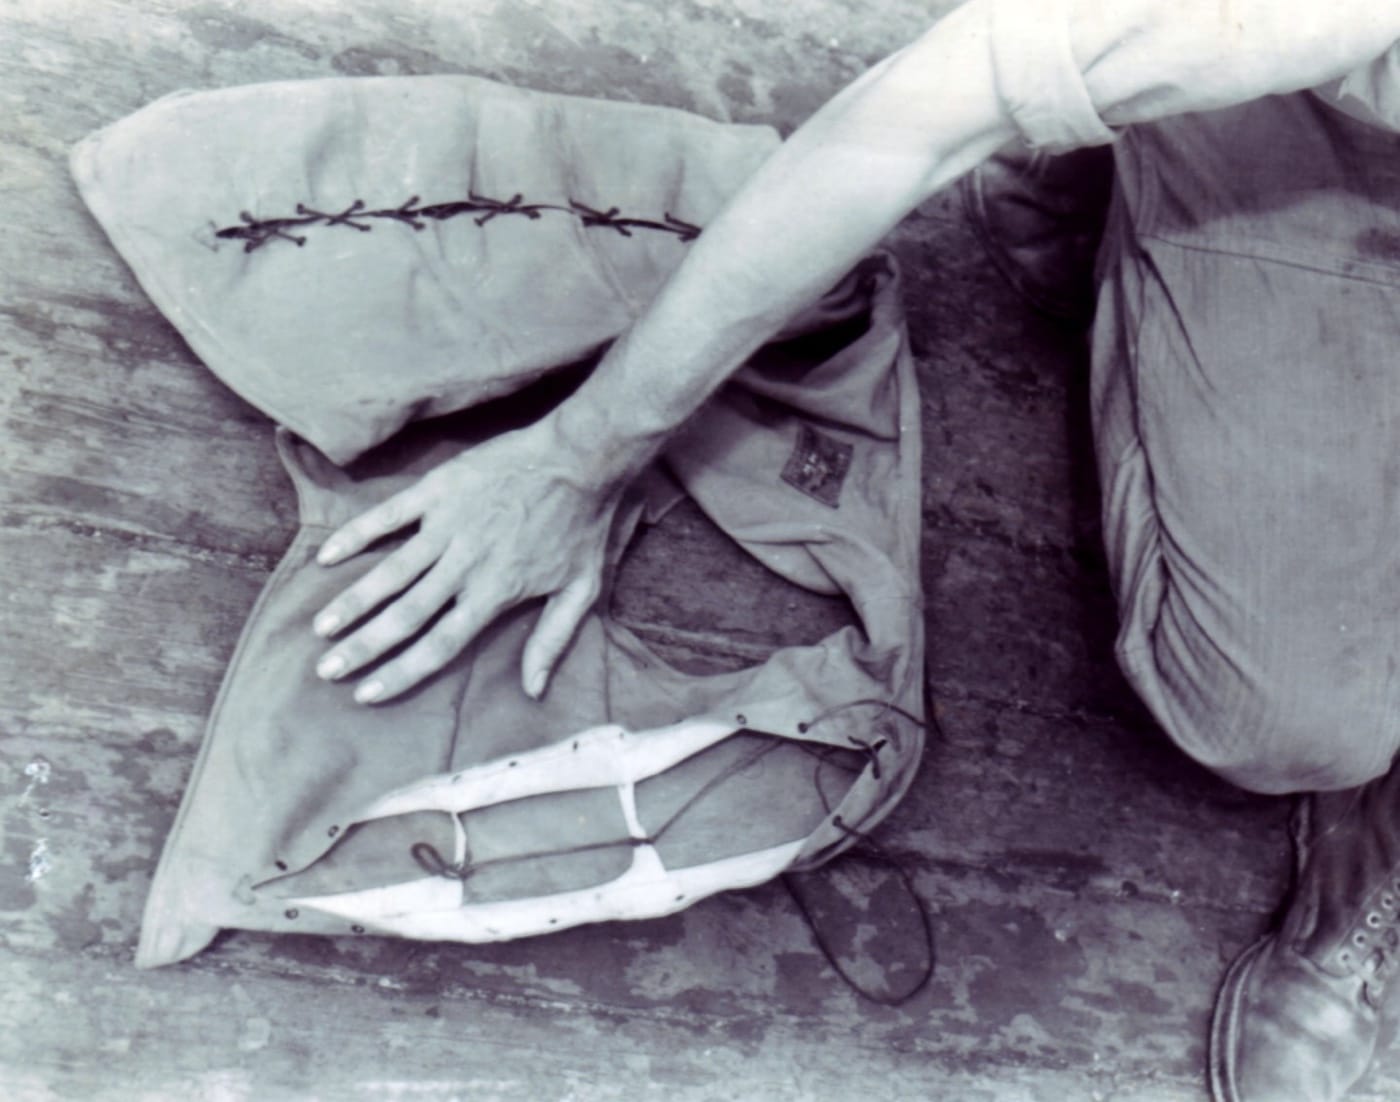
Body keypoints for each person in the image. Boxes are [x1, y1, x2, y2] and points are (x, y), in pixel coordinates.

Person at [305, 2, 1400, 1098]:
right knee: (1280, 717)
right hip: (1324, 146)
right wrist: (576, 455)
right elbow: (912, 117)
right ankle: (1134, 143)